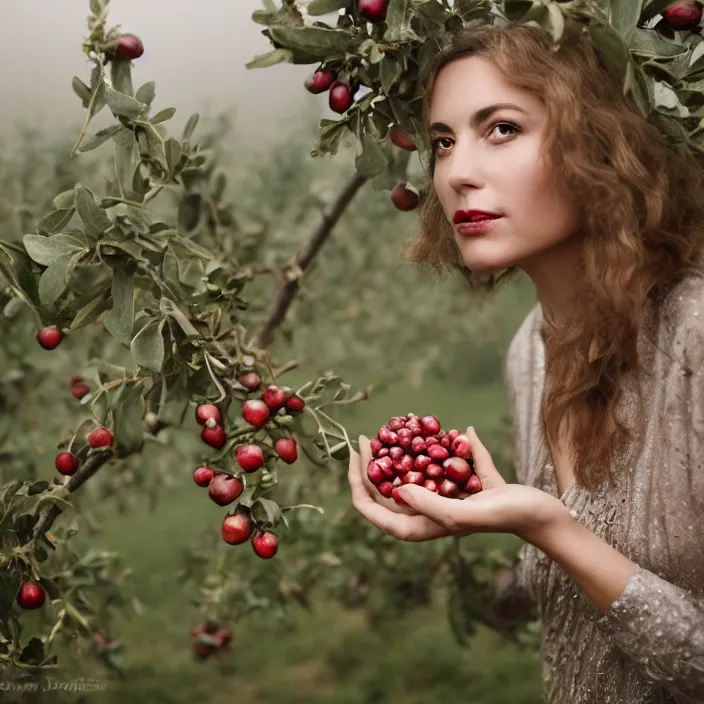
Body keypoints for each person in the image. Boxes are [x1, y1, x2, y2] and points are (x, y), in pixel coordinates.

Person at [347, 21, 704, 704]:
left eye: (502, 128)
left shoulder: (692, 339)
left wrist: (551, 530)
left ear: (597, 141)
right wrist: (483, 514)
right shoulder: (529, 353)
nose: (456, 172)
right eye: (444, 142)